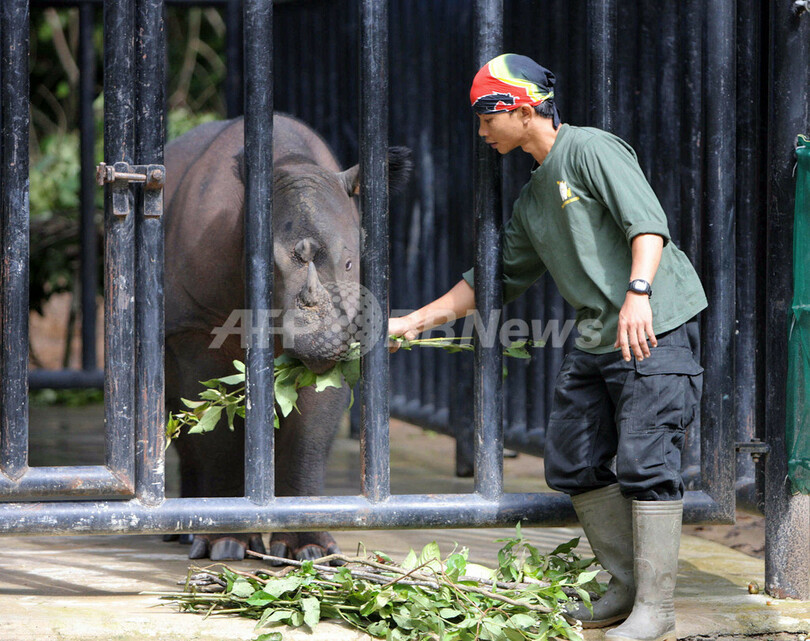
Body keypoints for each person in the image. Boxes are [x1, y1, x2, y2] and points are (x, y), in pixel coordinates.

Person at [388, 53, 707, 641]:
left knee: (646, 463)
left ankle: (656, 608)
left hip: (652, 322)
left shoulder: (589, 149)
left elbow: (648, 224)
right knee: (572, 459)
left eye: (487, 117)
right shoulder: (535, 197)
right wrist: (410, 322)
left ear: (521, 107)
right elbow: (492, 282)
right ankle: (626, 586)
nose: (481, 131)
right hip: (595, 335)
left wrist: (638, 291)